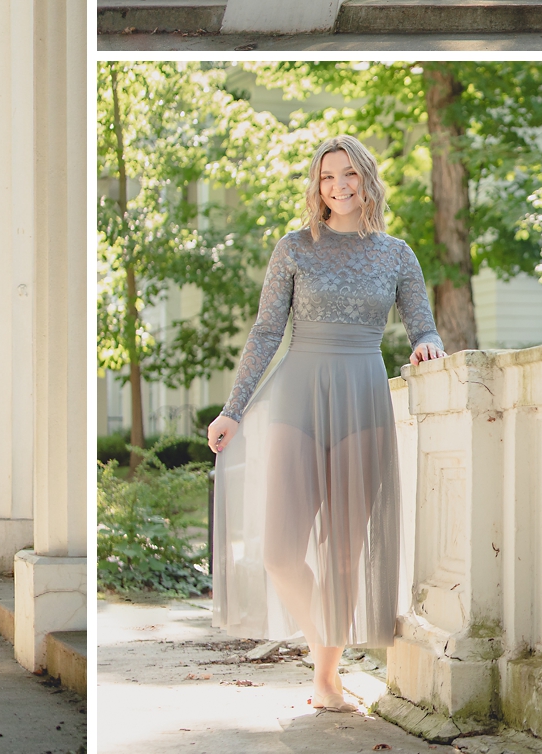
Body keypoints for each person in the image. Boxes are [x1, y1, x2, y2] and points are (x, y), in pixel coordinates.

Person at [206, 135, 446, 712]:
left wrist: (429, 348)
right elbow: (267, 331)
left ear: (367, 181)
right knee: (282, 551)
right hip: (298, 395)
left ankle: (326, 678)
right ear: (317, 186)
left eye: (349, 174)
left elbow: (423, 326)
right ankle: (323, 643)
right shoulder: (294, 248)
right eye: (326, 176)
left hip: (362, 398)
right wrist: (233, 409)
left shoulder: (396, 254)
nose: (337, 185)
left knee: (344, 552)